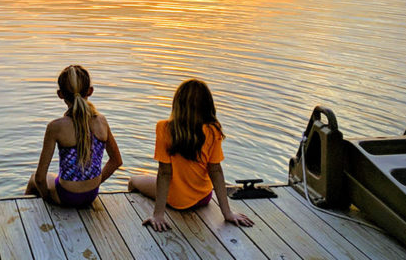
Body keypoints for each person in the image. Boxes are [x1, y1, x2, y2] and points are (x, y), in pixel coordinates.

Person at [129, 79, 254, 230]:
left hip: (175, 199)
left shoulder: (165, 128)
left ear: (177, 104)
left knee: (134, 181)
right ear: (207, 106)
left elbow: (164, 173)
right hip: (203, 197)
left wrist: (158, 214)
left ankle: (131, 206)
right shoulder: (213, 130)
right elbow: (215, 170)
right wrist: (227, 213)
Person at [25, 65, 123, 207]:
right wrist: (93, 183)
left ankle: (27, 214)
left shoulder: (55, 127)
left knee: (33, 180)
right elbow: (116, 161)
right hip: (91, 194)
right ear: (90, 91)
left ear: (60, 94)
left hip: (66, 196)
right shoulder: (101, 121)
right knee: (54, 178)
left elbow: (40, 178)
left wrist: (48, 200)